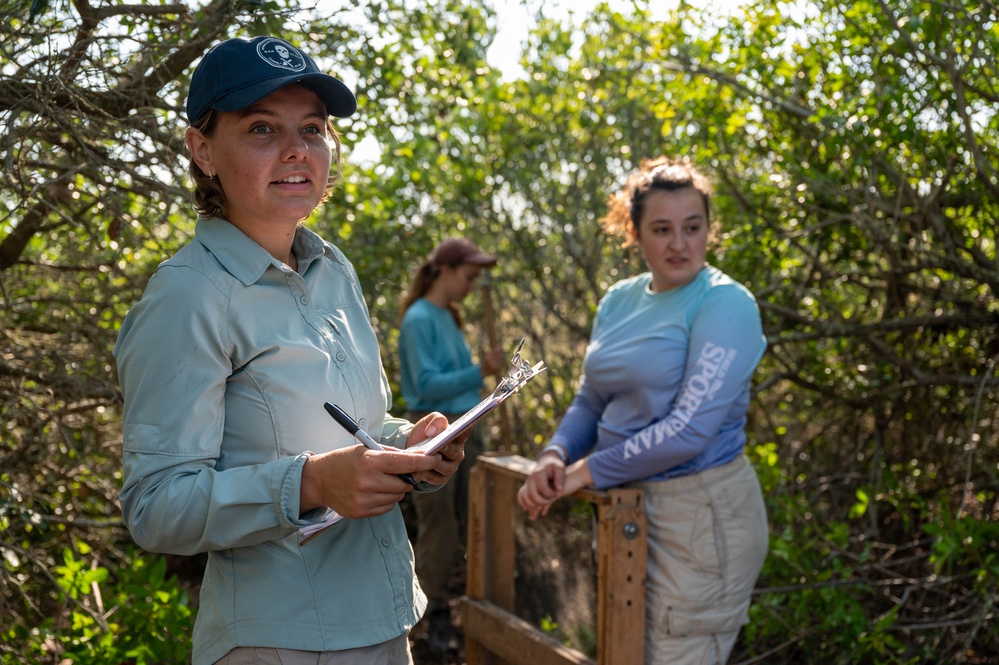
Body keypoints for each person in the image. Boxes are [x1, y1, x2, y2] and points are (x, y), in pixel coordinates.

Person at [114, 36, 468, 665]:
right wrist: (310, 483)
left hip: (386, 621)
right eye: (260, 128)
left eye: (312, 127)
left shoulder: (333, 269)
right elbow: (155, 506)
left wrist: (411, 445)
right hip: (279, 641)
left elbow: (352, 428)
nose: (296, 149)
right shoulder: (188, 296)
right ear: (202, 150)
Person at [517, 157, 769, 665]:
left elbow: (688, 431)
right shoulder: (619, 300)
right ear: (634, 233)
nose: (680, 244)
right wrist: (555, 454)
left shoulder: (725, 304)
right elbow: (593, 397)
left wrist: (581, 473)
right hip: (626, 508)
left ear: (708, 230)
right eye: (662, 229)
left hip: (699, 514)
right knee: (622, 650)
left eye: (693, 228)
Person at [397, 238, 504, 654]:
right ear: (445, 270)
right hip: (433, 435)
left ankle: (464, 608)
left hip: (464, 430)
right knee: (439, 527)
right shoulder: (419, 319)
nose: (473, 285)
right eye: (469, 276)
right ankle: (432, 618)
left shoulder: (448, 317)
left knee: (470, 520)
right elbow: (425, 386)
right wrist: (481, 370)